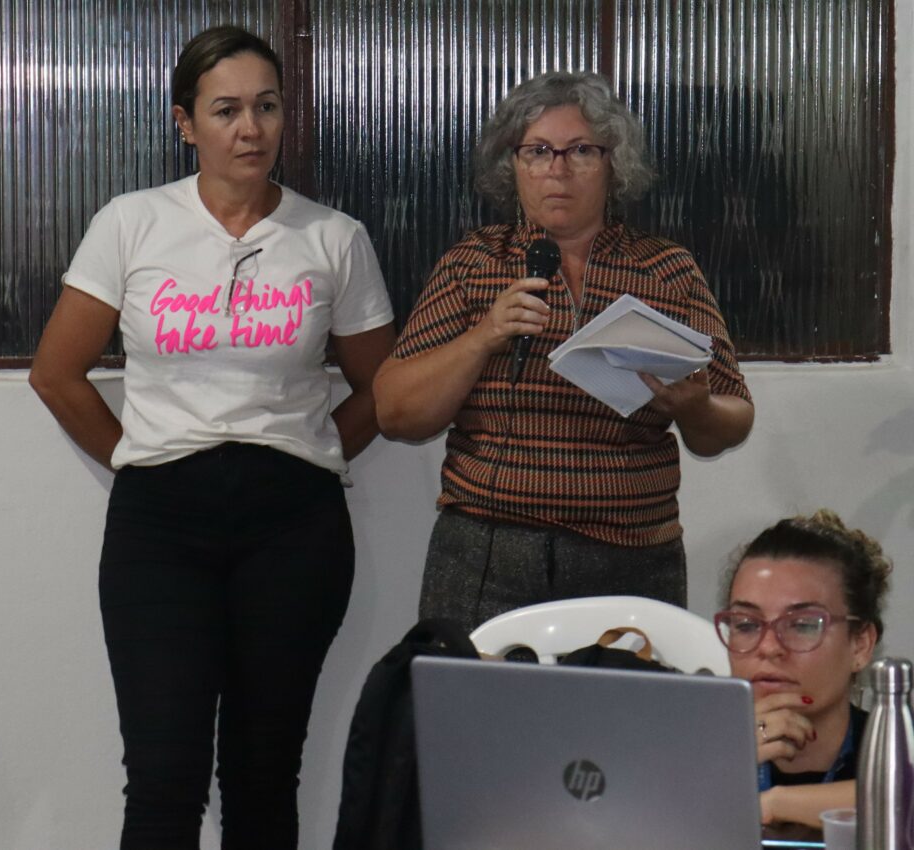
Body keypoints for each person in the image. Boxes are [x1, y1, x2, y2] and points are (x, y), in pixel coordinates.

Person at [29, 25, 395, 850]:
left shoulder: (333, 238)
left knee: (263, 779)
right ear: (185, 123)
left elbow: (384, 391)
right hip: (161, 528)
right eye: (226, 110)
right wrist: (142, 459)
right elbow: (56, 373)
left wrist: (311, 452)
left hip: (293, 531)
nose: (250, 129)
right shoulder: (132, 224)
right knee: (164, 780)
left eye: (266, 107)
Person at [373, 71, 753, 633]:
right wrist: (484, 336)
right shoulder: (472, 264)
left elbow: (734, 416)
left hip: (630, 556)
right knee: (474, 696)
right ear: (512, 166)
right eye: (537, 152)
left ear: (613, 164)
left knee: (623, 697)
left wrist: (696, 407)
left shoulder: (665, 269)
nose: (558, 170)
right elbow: (395, 413)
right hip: (486, 551)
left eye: (580, 151)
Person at [714, 510, 891, 828]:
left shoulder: (896, 746)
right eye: (746, 624)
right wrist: (723, 770)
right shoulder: (699, 746)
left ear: (860, 645)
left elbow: (900, 797)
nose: (769, 647)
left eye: (803, 625)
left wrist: (775, 803)